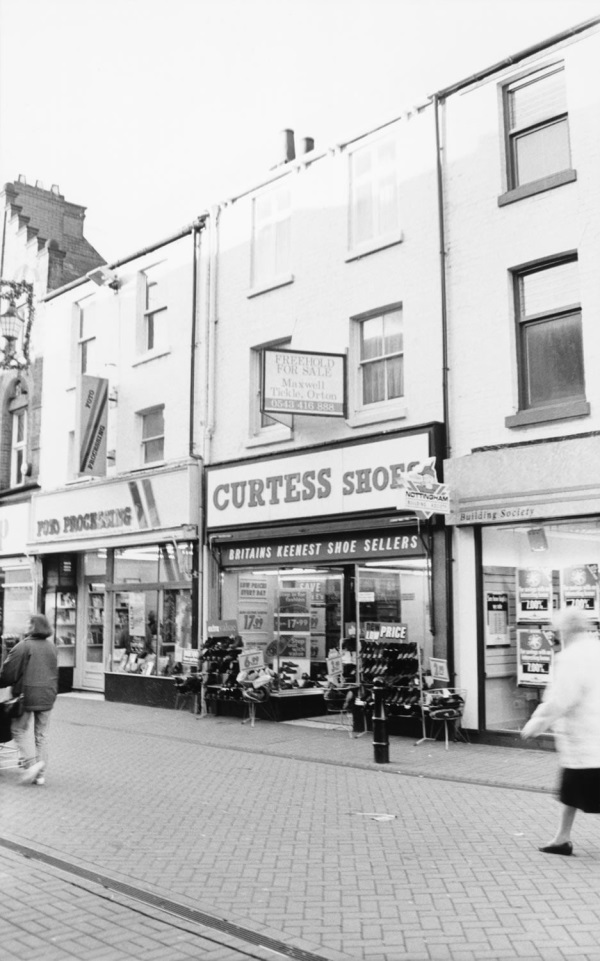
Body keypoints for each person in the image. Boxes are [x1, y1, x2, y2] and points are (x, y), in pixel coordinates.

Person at [521, 609, 600, 856]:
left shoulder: (571, 658)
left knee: (581, 792)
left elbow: (560, 700)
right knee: (571, 793)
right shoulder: (596, 649)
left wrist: (535, 724)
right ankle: (561, 839)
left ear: (565, 630)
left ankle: (561, 839)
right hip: (588, 742)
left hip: (586, 742)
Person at [0, 613, 58, 786]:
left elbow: (8, 673)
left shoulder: (23, 647)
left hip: (26, 696)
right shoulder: (52, 647)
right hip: (48, 695)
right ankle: (40, 775)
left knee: (18, 730)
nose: (25, 625)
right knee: (41, 735)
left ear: (34, 627)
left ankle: (31, 765)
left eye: (28, 623)